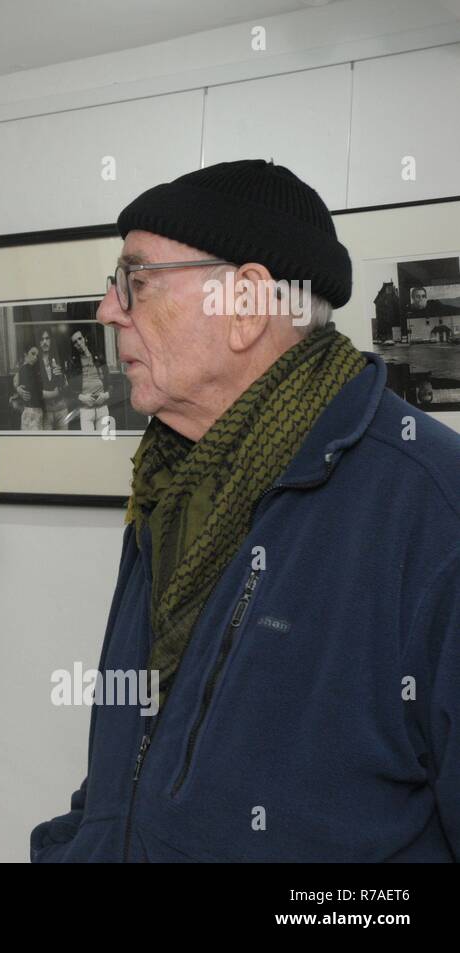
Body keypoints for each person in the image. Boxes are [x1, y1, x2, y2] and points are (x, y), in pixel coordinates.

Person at [31, 159, 460, 861]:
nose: (108, 308)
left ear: (247, 303)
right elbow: (131, 764)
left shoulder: (432, 510)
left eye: (136, 281)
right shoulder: (170, 484)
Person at [70, 330, 111, 432]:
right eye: (75, 342)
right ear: (74, 346)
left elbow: (110, 382)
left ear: (84, 339)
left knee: (103, 442)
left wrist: (106, 395)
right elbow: (69, 389)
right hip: (86, 409)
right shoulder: (74, 362)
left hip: (102, 406)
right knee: (89, 442)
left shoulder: (98, 356)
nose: (79, 343)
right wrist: (82, 397)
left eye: (80, 339)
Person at [35, 329, 70, 430]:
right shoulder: (36, 362)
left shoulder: (58, 359)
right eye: (42, 339)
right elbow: (36, 391)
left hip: (61, 409)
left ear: (51, 340)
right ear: (38, 342)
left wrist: (62, 377)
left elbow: (67, 385)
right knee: (47, 443)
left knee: (63, 443)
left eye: (47, 338)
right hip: (46, 411)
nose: (45, 342)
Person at [11, 345, 44, 430]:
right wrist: (17, 388)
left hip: (33, 410)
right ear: (25, 354)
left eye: (37, 355)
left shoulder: (32, 369)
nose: (35, 357)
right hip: (31, 411)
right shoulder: (24, 369)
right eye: (32, 354)